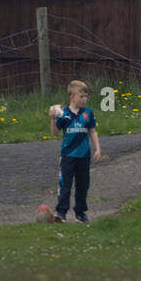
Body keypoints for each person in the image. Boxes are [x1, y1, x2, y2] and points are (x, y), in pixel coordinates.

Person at [49, 80, 101, 222]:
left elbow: (93, 131)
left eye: (86, 96)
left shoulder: (88, 113)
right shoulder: (63, 114)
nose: (84, 99)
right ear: (72, 97)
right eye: (81, 96)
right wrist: (52, 119)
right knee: (65, 185)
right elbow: (54, 133)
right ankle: (61, 213)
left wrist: (97, 148)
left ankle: (80, 213)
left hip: (84, 156)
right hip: (68, 156)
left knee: (83, 185)